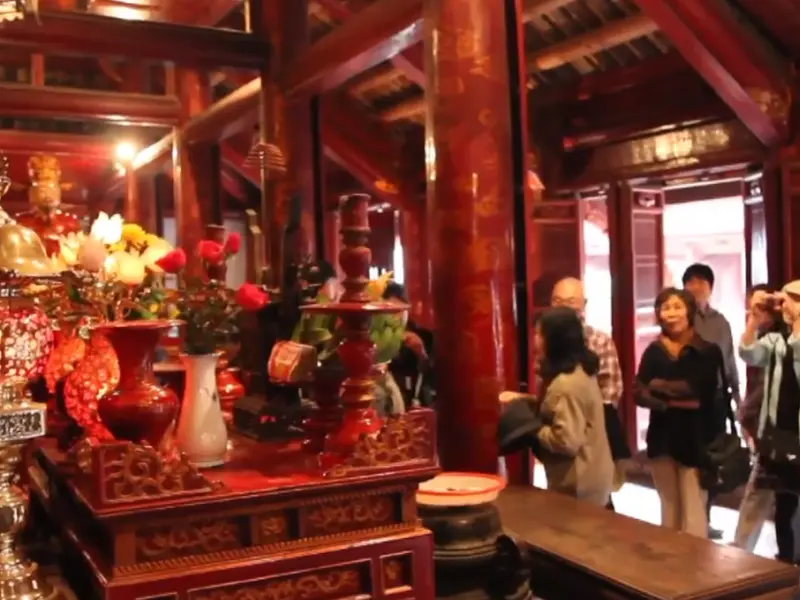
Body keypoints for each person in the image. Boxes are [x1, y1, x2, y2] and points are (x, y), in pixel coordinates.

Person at [499, 307, 614, 507]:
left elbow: (566, 441)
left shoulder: (566, 383)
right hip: (592, 476)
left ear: (555, 339)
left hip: (579, 485)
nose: (535, 340)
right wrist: (525, 400)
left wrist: (533, 429)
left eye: (539, 334)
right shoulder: (580, 370)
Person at [635, 287, 723, 538]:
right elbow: (638, 392)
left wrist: (658, 386)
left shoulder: (707, 350)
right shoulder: (654, 351)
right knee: (668, 508)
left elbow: (698, 390)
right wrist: (668, 400)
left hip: (696, 438)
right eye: (665, 307)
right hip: (662, 437)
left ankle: (695, 567)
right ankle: (671, 567)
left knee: (694, 508)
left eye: (677, 307)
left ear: (690, 311)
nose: (671, 313)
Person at [548, 277, 628, 508]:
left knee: (594, 502)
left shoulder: (599, 340)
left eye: (571, 301)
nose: (564, 306)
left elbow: (610, 392)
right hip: (559, 435)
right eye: (558, 300)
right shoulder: (546, 341)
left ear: (584, 304)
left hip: (591, 435)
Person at [738, 281, 800, 564]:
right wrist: (754, 315)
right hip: (777, 434)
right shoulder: (777, 340)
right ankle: (786, 561)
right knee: (783, 504)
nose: (787, 306)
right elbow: (748, 352)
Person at [682, 263, 741, 540]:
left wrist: (736, 397)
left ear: (710, 287)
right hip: (686, 402)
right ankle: (690, 520)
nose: (696, 287)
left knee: (714, 460)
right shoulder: (680, 319)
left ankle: (705, 517)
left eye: (702, 282)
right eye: (691, 282)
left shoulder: (721, 322)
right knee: (689, 460)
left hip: (716, 401)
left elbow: (729, 361)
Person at [733, 285, 780, 553]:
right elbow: (747, 352)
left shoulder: (787, 337)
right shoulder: (766, 339)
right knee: (759, 491)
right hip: (771, 429)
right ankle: (741, 549)